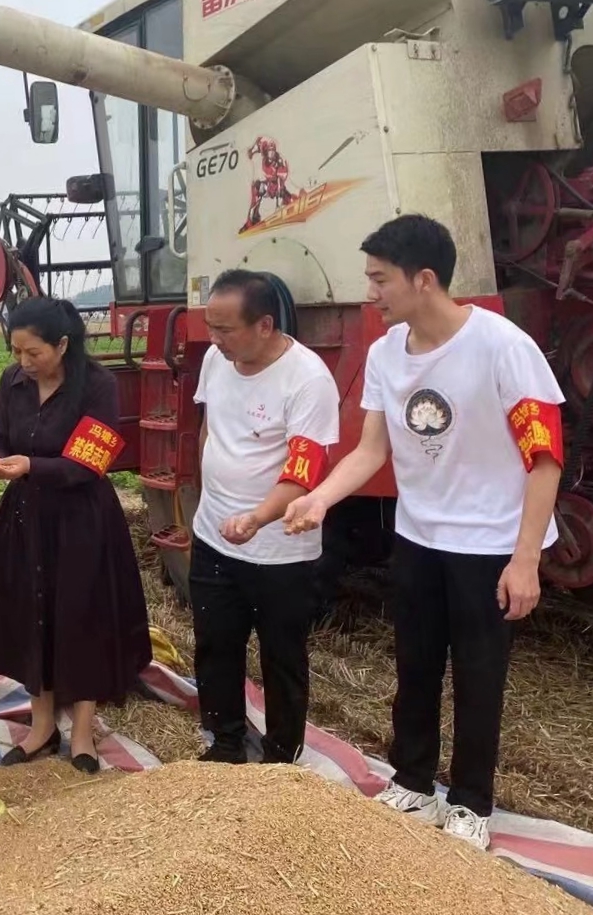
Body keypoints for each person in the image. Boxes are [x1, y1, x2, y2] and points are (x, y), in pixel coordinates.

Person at [283, 214, 564, 850]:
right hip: (419, 537)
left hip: (488, 544)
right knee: (415, 665)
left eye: (380, 279)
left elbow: (544, 458)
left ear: (424, 279)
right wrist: (320, 498)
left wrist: (524, 560)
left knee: (478, 676)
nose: (371, 292)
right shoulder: (386, 353)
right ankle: (412, 781)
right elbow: (371, 449)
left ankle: (470, 802)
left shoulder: (502, 347)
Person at [0, 297, 150, 775]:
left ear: (62, 345)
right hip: (26, 516)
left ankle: (82, 732)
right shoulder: (13, 382)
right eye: (17, 352)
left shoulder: (98, 385)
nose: (23, 362)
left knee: (81, 618)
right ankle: (41, 725)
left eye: (34, 353)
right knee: (32, 615)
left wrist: (29, 465)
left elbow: (89, 463)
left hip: (82, 519)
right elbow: (0, 436)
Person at [189, 270, 341, 766]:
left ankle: (281, 758)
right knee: (216, 643)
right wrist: (208, 498)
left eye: (225, 329)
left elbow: (303, 473)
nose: (215, 339)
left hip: (279, 550)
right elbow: (209, 430)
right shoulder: (216, 360)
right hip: (214, 536)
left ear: (265, 325)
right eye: (211, 327)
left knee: (282, 655)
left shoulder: (308, 379)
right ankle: (225, 741)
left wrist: (256, 518)